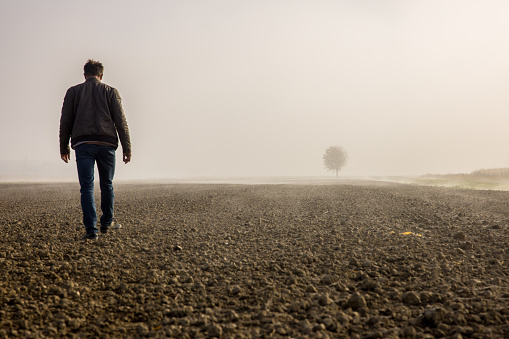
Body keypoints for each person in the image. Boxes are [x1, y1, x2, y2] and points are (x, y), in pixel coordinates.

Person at [59, 59, 131, 240]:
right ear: (101, 75)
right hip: (107, 144)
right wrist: (127, 147)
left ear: (85, 75)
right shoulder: (111, 92)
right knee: (107, 184)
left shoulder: (73, 92)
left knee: (87, 187)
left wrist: (64, 146)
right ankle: (107, 222)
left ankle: (91, 230)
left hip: (83, 144)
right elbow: (120, 121)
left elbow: (66, 121)